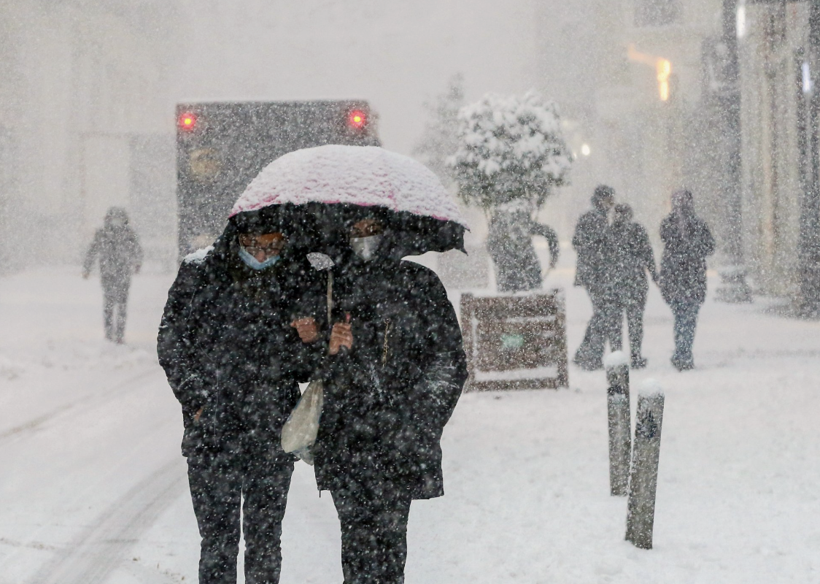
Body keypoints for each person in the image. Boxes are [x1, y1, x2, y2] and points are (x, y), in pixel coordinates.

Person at [293, 211, 467, 584]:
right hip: (345, 440)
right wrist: (325, 345)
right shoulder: (326, 287)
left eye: (372, 229)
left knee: (390, 548)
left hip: (398, 440)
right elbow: (299, 365)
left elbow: (448, 361)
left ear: (390, 232)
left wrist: (421, 419)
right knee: (355, 546)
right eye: (355, 230)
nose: (363, 237)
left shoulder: (419, 285)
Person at [157, 210, 321, 584]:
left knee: (265, 540)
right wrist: (198, 402)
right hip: (213, 433)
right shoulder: (200, 274)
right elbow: (171, 342)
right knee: (217, 541)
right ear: (236, 240)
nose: (262, 255)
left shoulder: (297, 279)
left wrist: (308, 339)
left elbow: (305, 369)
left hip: (272, 431)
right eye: (253, 245)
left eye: (272, 245)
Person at [658, 190, 715, 371]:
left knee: (685, 318)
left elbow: (709, 246)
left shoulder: (695, 224)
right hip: (681, 279)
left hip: (688, 279)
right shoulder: (671, 224)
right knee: (684, 317)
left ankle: (682, 353)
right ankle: (683, 353)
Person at [572, 185, 618, 370]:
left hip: (594, 274)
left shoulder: (598, 217)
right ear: (601, 199)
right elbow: (581, 243)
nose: (612, 203)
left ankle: (586, 353)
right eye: (610, 199)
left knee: (601, 315)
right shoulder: (595, 218)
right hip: (596, 275)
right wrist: (599, 253)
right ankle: (591, 356)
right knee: (603, 315)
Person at [82, 207, 143, 343]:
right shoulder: (103, 233)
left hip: (121, 272)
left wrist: (137, 262)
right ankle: (110, 333)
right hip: (109, 273)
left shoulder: (127, 234)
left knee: (121, 304)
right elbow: (92, 250)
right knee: (110, 303)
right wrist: (87, 267)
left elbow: (137, 249)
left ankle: (119, 334)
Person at [611, 204, 657, 369]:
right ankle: (636, 356)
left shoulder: (610, 232)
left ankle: (617, 357)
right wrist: (654, 275)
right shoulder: (637, 230)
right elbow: (648, 255)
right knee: (635, 322)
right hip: (635, 282)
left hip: (615, 283)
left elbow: (603, 259)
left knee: (616, 323)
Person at [486, 200, 559, 292]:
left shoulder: (502, 228)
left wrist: (554, 257)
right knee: (524, 297)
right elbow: (550, 233)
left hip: (519, 272)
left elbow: (550, 233)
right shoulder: (502, 228)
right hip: (516, 273)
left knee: (518, 298)